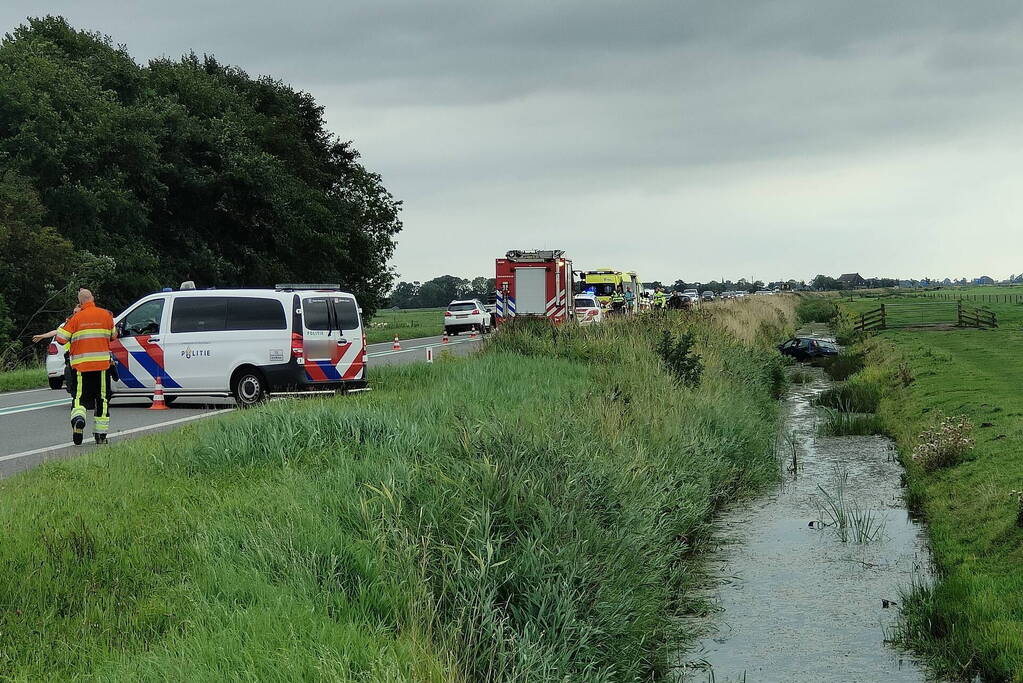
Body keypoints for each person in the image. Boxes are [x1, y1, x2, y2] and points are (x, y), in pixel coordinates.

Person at [54, 289, 116, 445]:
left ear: (80, 302)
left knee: (79, 398)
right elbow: (114, 335)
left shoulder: (76, 318)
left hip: (81, 367)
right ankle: (101, 435)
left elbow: (60, 339)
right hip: (102, 366)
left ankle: (79, 419)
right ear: (92, 298)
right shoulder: (106, 315)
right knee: (102, 399)